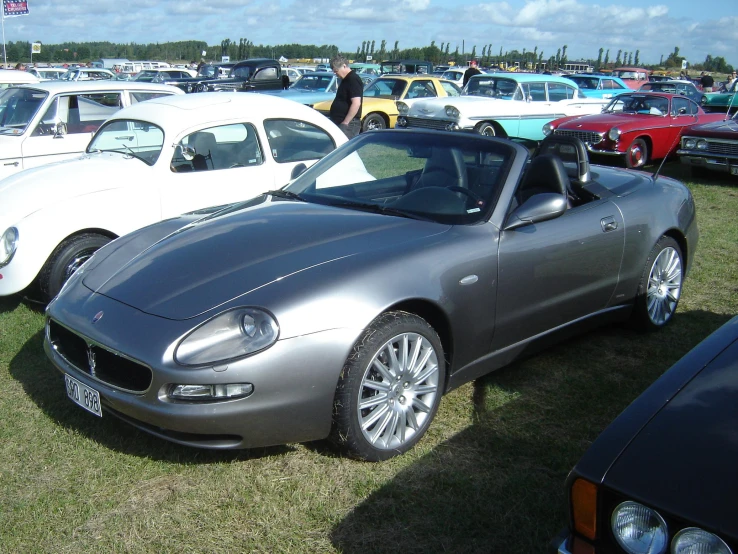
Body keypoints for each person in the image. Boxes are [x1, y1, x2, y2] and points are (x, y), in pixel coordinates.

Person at [329, 55, 363, 139]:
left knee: (344, 150)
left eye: (336, 71)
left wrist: (345, 122)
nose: (335, 73)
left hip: (349, 124)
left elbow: (356, 103)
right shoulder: (345, 80)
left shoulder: (353, 79)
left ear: (344, 66)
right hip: (340, 121)